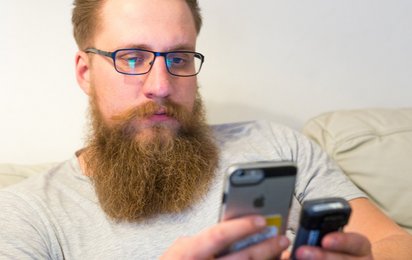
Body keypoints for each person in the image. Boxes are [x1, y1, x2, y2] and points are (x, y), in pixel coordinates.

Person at [1, 0, 411, 259]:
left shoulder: (276, 145)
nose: (160, 85)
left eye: (178, 59)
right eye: (130, 58)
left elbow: (397, 243)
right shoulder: (27, 213)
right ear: (85, 73)